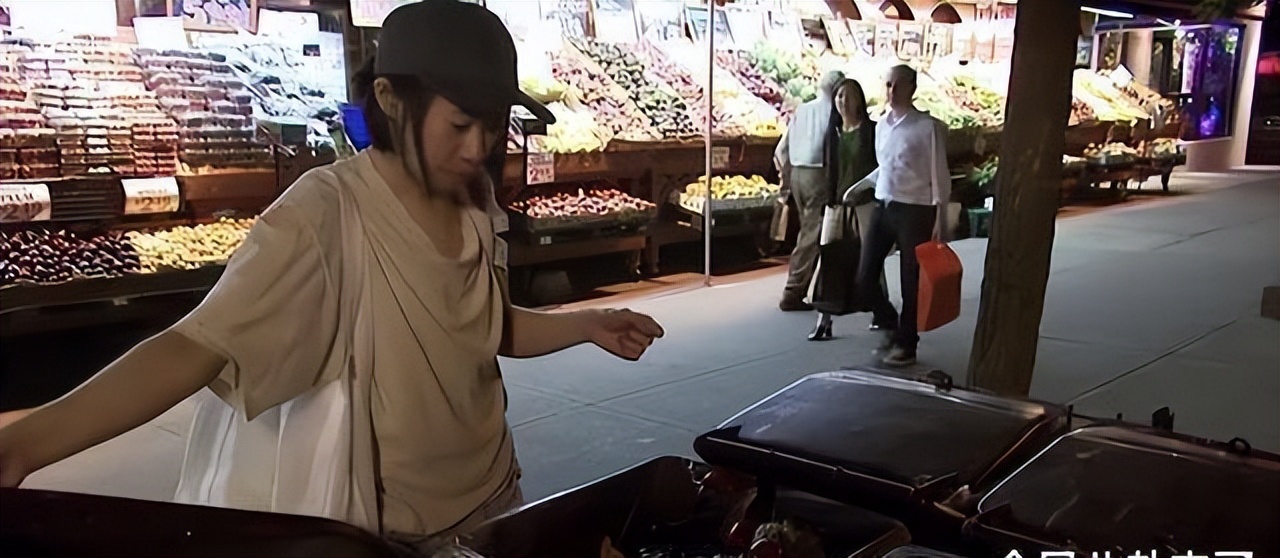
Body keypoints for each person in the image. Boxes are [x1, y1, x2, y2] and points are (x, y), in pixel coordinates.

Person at [0, 0, 664, 552]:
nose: (478, 148)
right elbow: (195, 347)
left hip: (494, 500)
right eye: (461, 124)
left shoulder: (475, 201)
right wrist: (27, 444)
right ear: (390, 100)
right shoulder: (325, 213)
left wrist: (586, 324)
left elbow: (482, 327)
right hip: (391, 532)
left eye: (493, 128)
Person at [856, 65, 951, 367]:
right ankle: (890, 322)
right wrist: (860, 188)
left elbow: (939, 172)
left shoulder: (927, 126)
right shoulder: (881, 125)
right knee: (864, 276)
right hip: (884, 204)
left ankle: (907, 343)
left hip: (916, 207)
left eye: (898, 85)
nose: (891, 91)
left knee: (911, 279)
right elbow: (883, 165)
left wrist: (942, 216)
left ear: (912, 87)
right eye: (887, 84)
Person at [809, 78, 878, 341]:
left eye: (849, 96)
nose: (843, 102)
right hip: (836, 203)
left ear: (859, 100)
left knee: (870, 257)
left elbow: (878, 165)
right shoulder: (833, 132)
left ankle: (876, 310)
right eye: (839, 96)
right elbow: (830, 170)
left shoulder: (870, 131)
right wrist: (829, 198)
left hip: (864, 202)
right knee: (828, 256)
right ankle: (824, 319)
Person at [774, 70, 847, 312]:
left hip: (797, 172)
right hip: (818, 173)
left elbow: (781, 150)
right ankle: (793, 291)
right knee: (812, 235)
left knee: (808, 229)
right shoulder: (834, 115)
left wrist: (785, 181)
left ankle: (811, 287)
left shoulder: (803, 109)